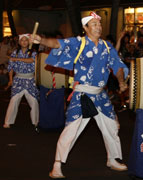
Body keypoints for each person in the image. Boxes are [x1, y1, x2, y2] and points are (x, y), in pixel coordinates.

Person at [30, 12, 129, 178]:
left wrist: (120, 81)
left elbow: (117, 66)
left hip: (100, 95)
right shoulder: (78, 42)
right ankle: (57, 165)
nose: (98, 27)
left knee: (112, 127)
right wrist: (41, 40)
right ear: (85, 28)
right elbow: (57, 44)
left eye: (99, 24)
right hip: (82, 94)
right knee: (71, 130)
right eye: (94, 24)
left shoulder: (107, 46)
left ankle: (112, 159)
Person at [3, 34, 39, 129]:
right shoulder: (15, 52)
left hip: (30, 80)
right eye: (22, 40)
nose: (24, 42)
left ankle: (35, 121)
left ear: (29, 42)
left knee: (34, 101)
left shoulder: (33, 53)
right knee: (14, 100)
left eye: (26, 40)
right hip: (18, 79)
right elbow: (10, 67)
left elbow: (31, 60)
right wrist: (10, 80)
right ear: (19, 42)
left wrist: (17, 59)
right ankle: (8, 122)